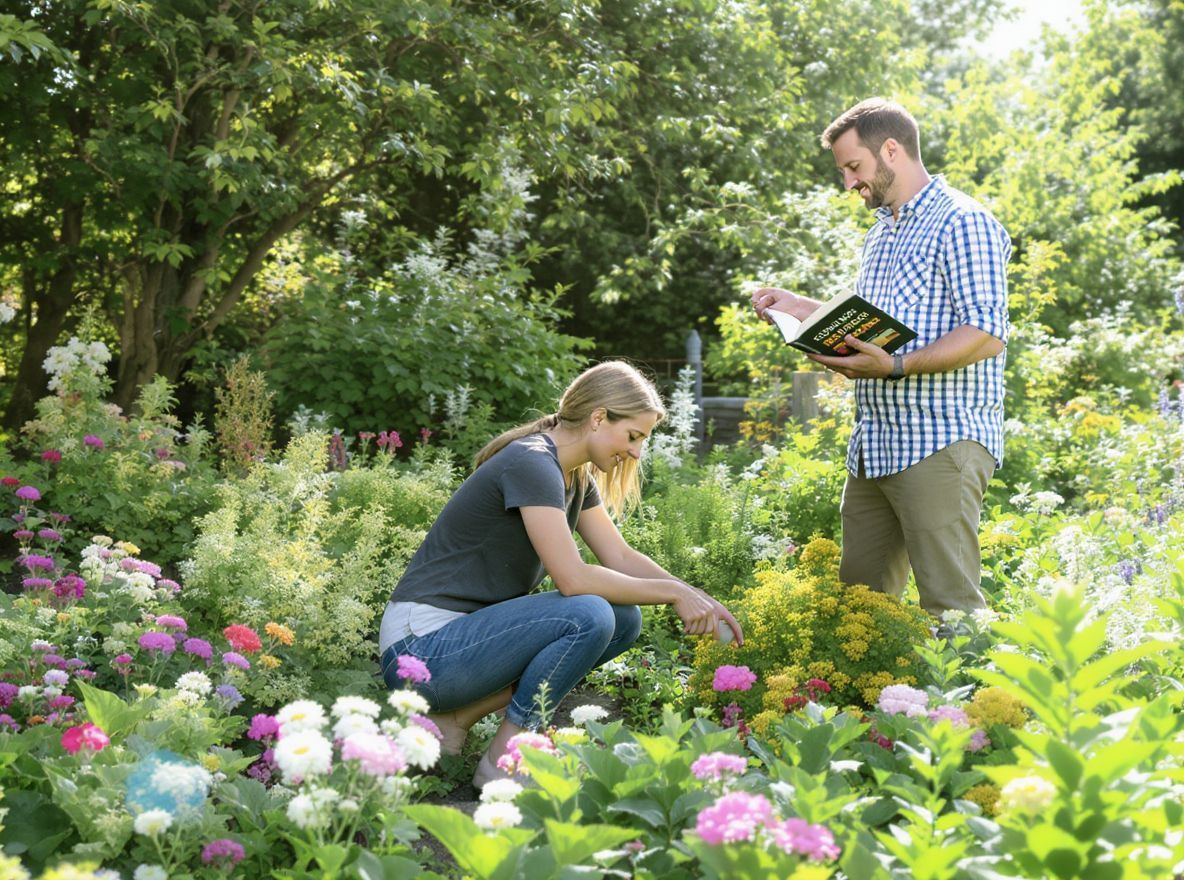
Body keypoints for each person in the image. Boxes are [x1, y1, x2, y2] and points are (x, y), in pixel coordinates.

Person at [378, 361, 744, 789]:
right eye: (633, 436)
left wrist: (693, 594)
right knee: (589, 613)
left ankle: (456, 719)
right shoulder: (531, 461)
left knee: (623, 619)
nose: (637, 453)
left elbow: (619, 555)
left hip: (463, 649)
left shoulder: (574, 475)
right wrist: (672, 593)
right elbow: (572, 578)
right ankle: (506, 759)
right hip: (421, 651)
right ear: (598, 417)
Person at [751, 97, 1011, 616]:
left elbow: (987, 331)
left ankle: (972, 700)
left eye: (854, 166)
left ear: (891, 150)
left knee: (951, 608)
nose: (849, 182)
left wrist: (895, 366)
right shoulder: (881, 233)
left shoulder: (963, 222)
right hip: (876, 445)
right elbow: (872, 321)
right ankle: (877, 701)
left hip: (941, 440)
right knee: (862, 611)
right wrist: (800, 307)